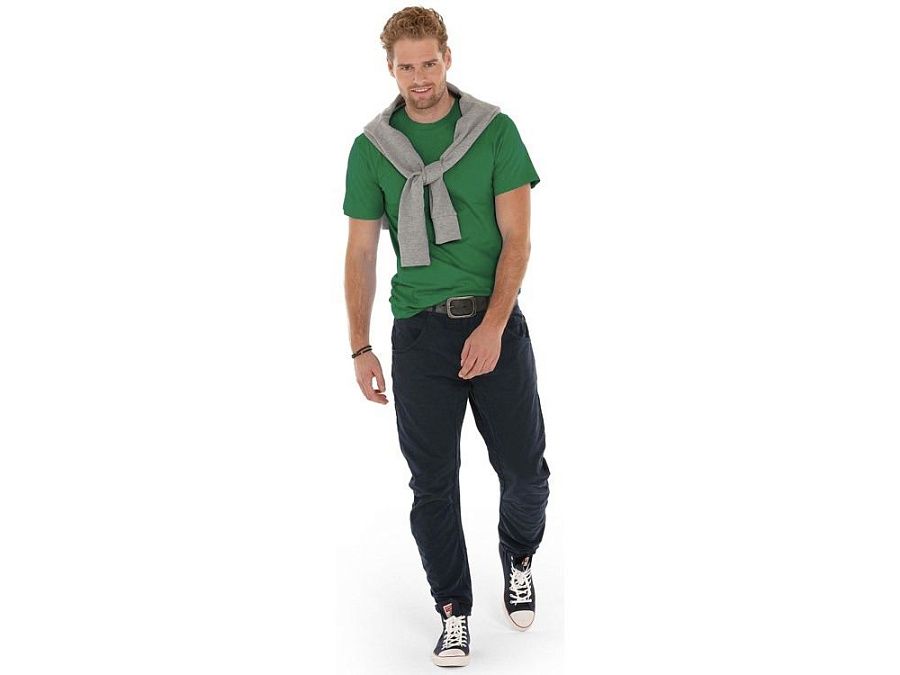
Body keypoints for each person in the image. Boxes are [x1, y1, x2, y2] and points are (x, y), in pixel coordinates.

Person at [342, 6, 551, 668]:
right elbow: (360, 253)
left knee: (525, 473)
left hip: (495, 324)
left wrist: (492, 325)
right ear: (390, 68)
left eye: (429, 62)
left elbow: (518, 239)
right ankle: (453, 610)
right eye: (406, 66)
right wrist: (360, 345)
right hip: (418, 336)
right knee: (432, 484)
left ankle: (518, 555)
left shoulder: (494, 130)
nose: (420, 77)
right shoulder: (373, 148)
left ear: (447, 58)